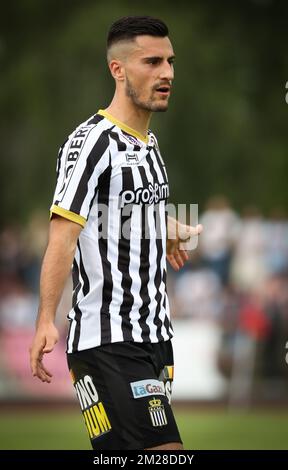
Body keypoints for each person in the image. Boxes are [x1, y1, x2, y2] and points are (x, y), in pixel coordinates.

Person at [29, 15, 202, 451]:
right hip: (109, 339)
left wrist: (166, 227)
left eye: (170, 61)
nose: (167, 73)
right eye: (153, 61)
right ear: (118, 69)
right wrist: (46, 319)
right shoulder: (91, 143)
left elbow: (118, 214)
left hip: (155, 337)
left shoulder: (150, 146)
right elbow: (64, 234)